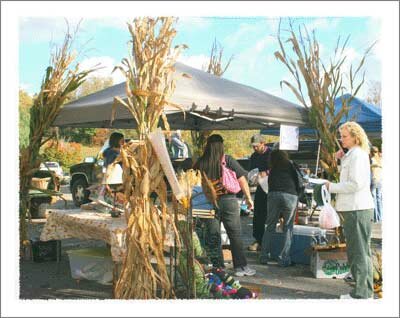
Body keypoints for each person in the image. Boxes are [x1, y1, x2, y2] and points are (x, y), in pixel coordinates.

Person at [193, 134, 256, 277]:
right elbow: (242, 180)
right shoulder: (227, 160)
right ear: (221, 145)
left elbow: (193, 179)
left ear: (207, 146)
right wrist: (248, 198)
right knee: (234, 234)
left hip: (207, 202)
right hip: (228, 200)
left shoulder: (201, 162)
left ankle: (218, 267)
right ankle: (240, 267)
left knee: (213, 235)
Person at [325, 121, 374, 299]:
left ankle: (361, 294)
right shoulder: (353, 154)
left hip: (356, 209)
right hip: (355, 208)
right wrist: (341, 158)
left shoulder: (357, 155)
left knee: (358, 252)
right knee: (360, 252)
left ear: (355, 137)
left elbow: (355, 184)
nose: (341, 139)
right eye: (341, 136)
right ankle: (364, 292)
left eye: (345, 136)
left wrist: (331, 187)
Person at [259, 148, 299, 267]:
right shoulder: (291, 165)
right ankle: (284, 258)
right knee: (288, 227)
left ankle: (264, 256)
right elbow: (298, 180)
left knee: (269, 226)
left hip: (273, 195)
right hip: (290, 195)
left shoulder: (273, 169)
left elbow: (269, 184)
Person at [247, 134, 271, 252]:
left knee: (274, 215)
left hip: (273, 188)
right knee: (258, 214)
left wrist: (266, 172)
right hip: (261, 188)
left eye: (256, 146)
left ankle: (271, 241)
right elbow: (251, 171)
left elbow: (277, 168)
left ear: (263, 143)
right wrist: (253, 178)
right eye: (253, 146)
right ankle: (258, 240)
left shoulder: (271, 154)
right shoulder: (254, 156)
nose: (255, 148)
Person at [370, 146, 383, 223]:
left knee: (373, 199)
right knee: (379, 199)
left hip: (374, 180)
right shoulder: (381, 159)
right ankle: (380, 217)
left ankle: (376, 218)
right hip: (380, 181)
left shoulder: (372, 160)